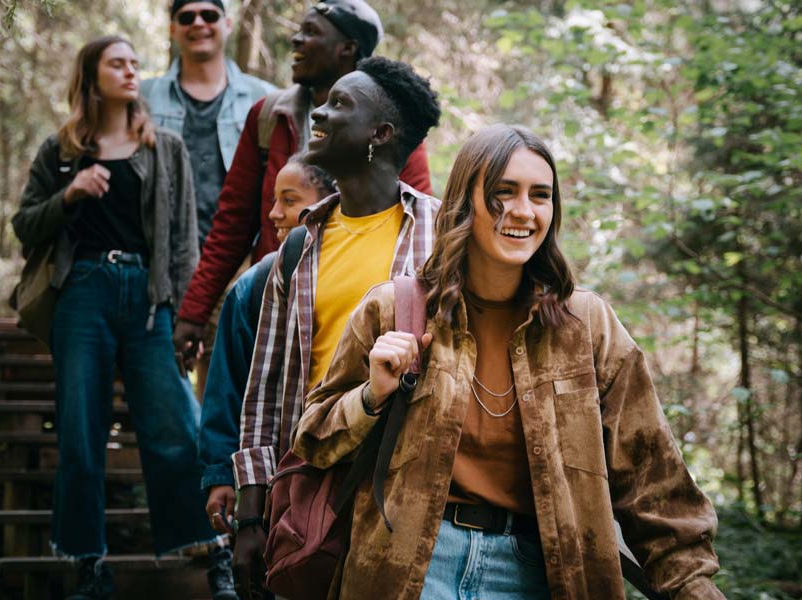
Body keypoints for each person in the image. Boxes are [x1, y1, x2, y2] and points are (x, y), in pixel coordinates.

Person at [291, 124, 726, 599]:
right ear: (465, 202)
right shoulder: (395, 308)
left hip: (544, 570)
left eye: (540, 195)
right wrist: (371, 396)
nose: (523, 211)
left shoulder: (587, 326)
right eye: (503, 192)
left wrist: (695, 589)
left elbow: (654, 482)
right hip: (411, 564)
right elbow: (313, 441)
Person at [10, 36, 215, 600]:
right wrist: (70, 193)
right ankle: (86, 562)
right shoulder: (61, 151)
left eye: (133, 62)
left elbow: (183, 240)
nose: (130, 71)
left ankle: (207, 547)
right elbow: (24, 224)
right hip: (82, 295)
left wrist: (187, 314)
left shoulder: (163, 147)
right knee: (81, 428)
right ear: (91, 75)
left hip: (148, 298)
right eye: (116, 63)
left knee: (176, 424)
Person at [230, 56, 442, 599]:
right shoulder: (300, 245)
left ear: (381, 133)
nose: (319, 111)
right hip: (314, 482)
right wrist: (251, 515)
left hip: (406, 487)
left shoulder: (442, 233)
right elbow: (267, 388)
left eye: (340, 104)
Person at [172, 0, 435, 372]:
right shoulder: (269, 116)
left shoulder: (397, 131)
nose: (297, 39)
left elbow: (413, 227)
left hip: (361, 318)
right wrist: (195, 312)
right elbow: (232, 221)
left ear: (346, 48)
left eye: (311, 32)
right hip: (276, 304)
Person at [196, 154, 337, 595]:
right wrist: (221, 475)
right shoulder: (254, 286)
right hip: (274, 486)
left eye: (289, 200)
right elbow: (227, 388)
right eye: (274, 200)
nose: (274, 213)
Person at [141, 0, 275, 404]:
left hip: (233, 264)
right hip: (164, 261)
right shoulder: (144, 98)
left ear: (227, 24)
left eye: (209, 15)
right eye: (186, 17)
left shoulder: (265, 98)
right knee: (165, 383)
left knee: (228, 379)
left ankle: (217, 465)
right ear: (172, 29)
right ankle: (181, 465)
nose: (198, 24)